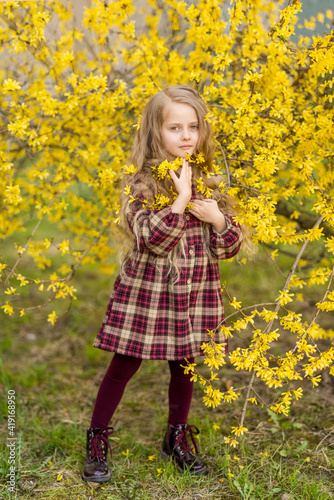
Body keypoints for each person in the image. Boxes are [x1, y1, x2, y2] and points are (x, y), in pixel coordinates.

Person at [82, 85, 248, 483]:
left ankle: (176, 436)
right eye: (175, 127)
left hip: (193, 292)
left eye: (193, 126)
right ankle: (97, 437)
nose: (187, 136)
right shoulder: (141, 182)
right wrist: (179, 200)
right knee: (124, 363)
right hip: (148, 295)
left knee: (185, 365)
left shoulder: (208, 181)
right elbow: (152, 239)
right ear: (155, 132)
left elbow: (228, 248)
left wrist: (218, 220)